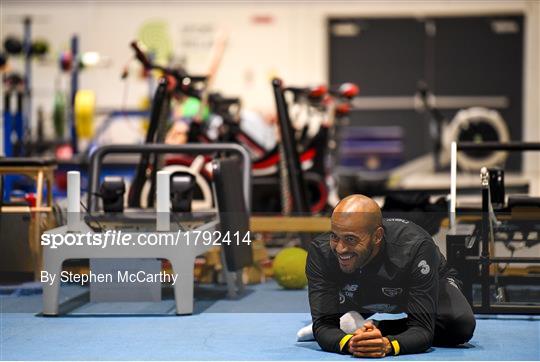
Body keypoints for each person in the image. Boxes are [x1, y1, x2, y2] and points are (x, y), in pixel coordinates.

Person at [306, 194, 475, 357]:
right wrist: (352, 344)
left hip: (420, 285)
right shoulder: (321, 252)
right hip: (359, 291)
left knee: (460, 325)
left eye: (350, 239)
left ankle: (372, 326)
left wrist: (387, 344)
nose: (340, 248)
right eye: (335, 236)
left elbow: (422, 330)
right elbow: (323, 326)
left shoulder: (417, 247)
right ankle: (357, 327)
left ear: (377, 236)